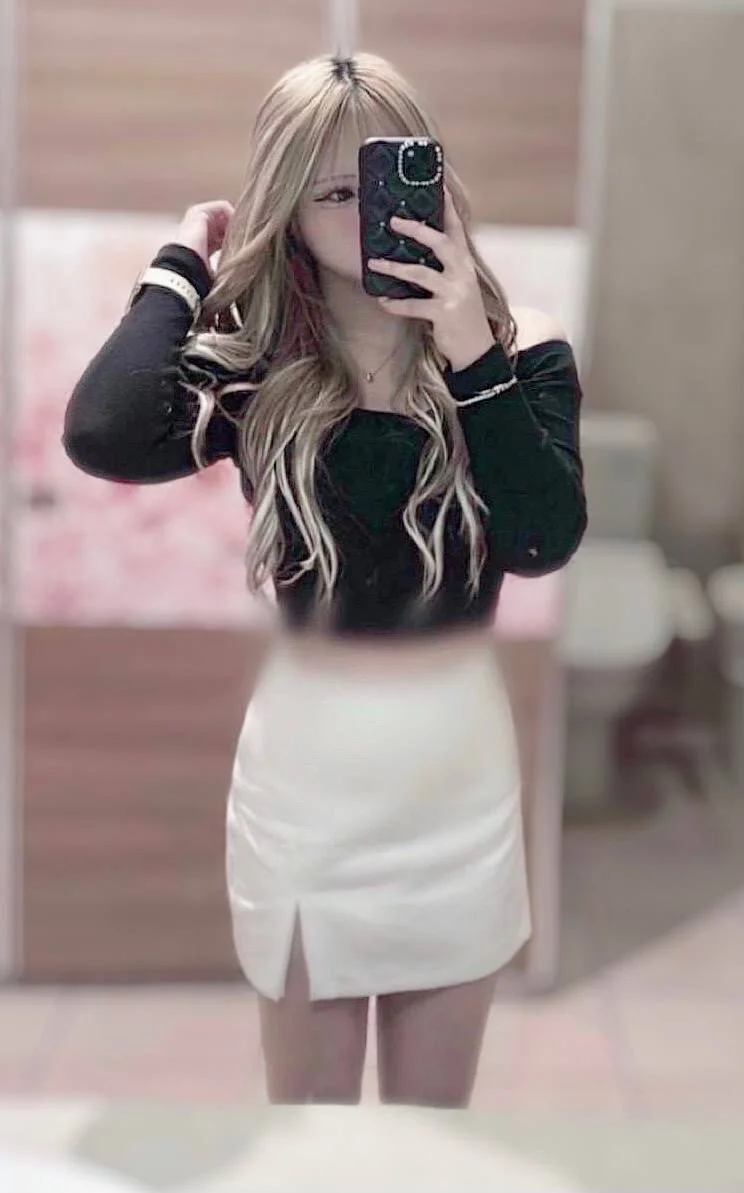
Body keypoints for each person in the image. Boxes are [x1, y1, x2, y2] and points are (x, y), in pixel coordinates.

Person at [62, 51, 587, 1108]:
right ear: (289, 212)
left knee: (427, 1138)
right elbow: (102, 430)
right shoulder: (256, 373)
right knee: (312, 1143)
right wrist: (182, 260)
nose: (367, 215)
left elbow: (541, 540)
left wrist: (469, 353)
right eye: (332, 193)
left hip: (457, 791)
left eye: (386, 179)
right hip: (304, 795)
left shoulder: (518, 350)